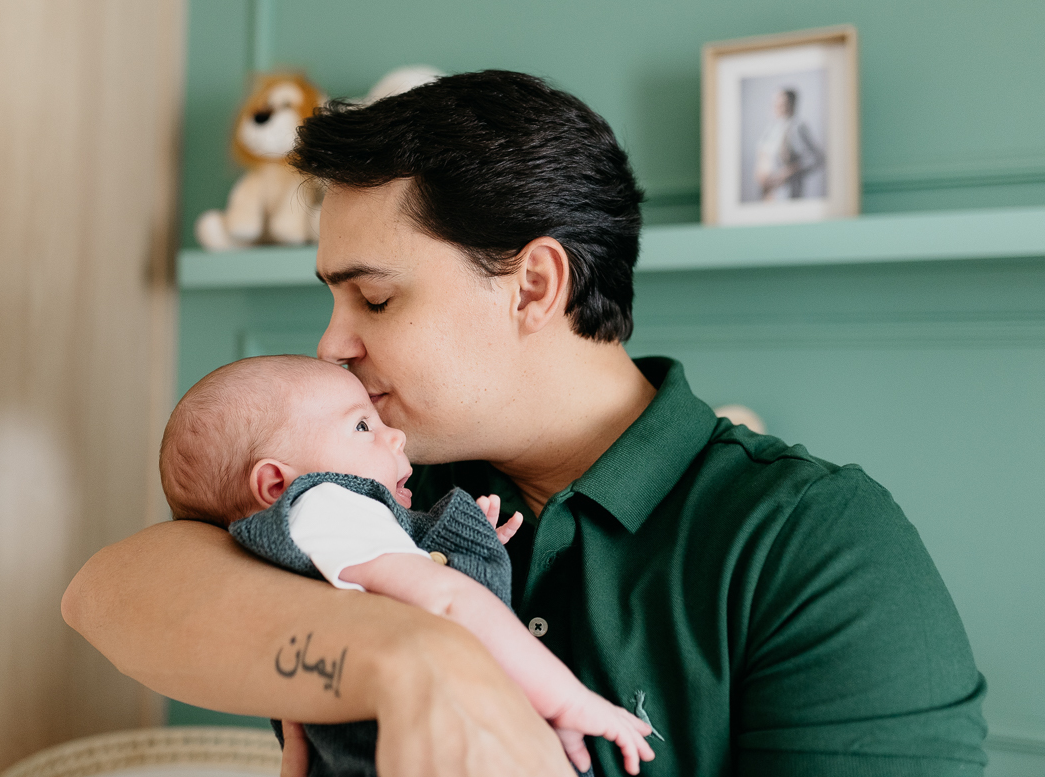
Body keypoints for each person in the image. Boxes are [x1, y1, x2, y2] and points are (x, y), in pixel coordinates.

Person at [63, 70, 987, 776]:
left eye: (375, 300)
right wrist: (410, 654)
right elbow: (106, 593)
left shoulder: (814, 542)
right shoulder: (383, 482)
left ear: (534, 285)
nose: (332, 345)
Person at [157, 354, 654, 776]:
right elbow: (449, 603)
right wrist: (565, 699)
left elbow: (405, 594)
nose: (393, 436)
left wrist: (460, 549)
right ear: (275, 486)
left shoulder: (322, 535)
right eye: (360, 426)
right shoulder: (322, 505)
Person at [754, 88, 825, 201]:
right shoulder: (771, 127)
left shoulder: (798, 126)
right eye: (775, 103)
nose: (776, 107)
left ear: (791, 105)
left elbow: (817, 157)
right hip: (768, 193)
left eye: (781, 104)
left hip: (786, 193)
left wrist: (787, 172)